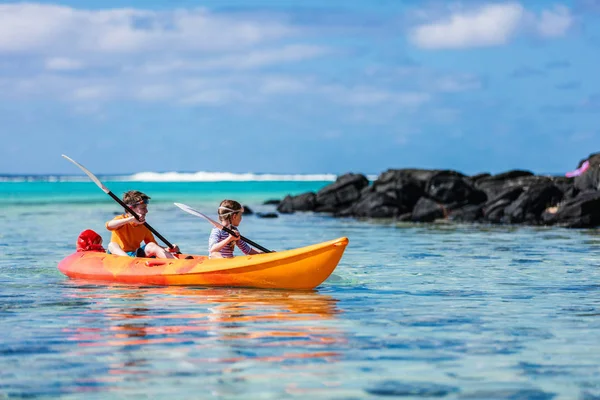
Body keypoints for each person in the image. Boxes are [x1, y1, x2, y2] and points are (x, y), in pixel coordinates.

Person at [105, 190, 178, 258]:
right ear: (131, 209)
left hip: (134, 254)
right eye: (143, 208)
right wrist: (130, 219)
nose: (146, 211)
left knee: (151, 245)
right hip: (118, 254)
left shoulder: (144, 226)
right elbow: (109, 225)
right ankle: (128, 260)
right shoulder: (122, 219)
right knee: (112, 245)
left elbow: (154, 246)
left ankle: (175, 262)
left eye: (146, 208)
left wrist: (168, 249)